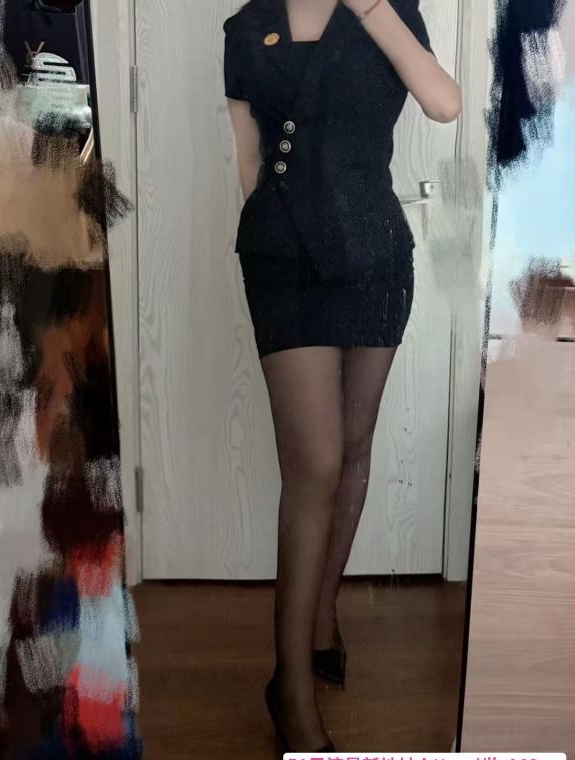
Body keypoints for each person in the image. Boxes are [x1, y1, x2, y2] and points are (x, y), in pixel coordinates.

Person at [223, 0, 461, 752]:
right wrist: (276, 238)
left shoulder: (392, 11)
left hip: (374, 257)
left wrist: (371, 8)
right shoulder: (244, 28)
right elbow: (248, 161)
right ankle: (289, 686)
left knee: (354, 446)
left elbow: (444, 102)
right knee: (316, 464)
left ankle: (322, 615)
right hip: (283, 263)